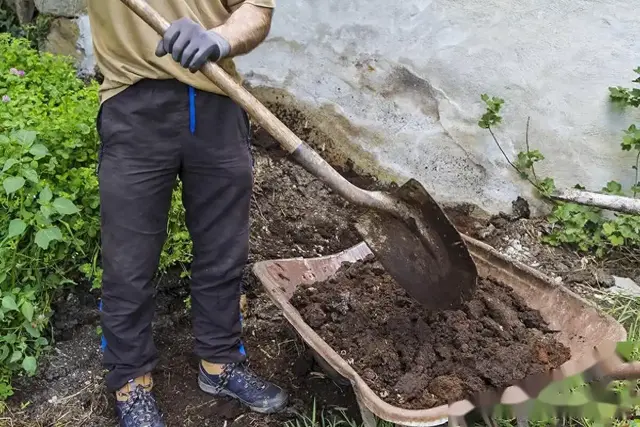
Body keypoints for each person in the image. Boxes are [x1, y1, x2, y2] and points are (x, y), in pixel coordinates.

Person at [87, 1, 288, 426]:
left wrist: (220, 38)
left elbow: (256, 9)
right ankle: (130, 381)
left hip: (217, 99)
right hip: (133, 104)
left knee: (223, 250)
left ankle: (220, 364)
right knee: (128, 260)